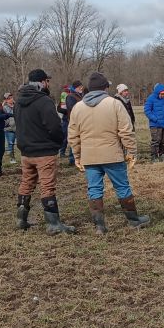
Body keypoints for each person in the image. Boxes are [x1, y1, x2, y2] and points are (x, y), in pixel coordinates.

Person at [68, 71, 147, 234]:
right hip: (112, 155)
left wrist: (77, 155)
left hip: (89, 157)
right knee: (122, 187)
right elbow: (126, 131)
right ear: (105, 88)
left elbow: (73, 135)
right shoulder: (114, 104)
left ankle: (99, 226)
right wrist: (131, 151)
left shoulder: (78, 107)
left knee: (94, 189)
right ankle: (133, 221)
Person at [14, 69, 75, 234]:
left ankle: (21, 219)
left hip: (26, 152)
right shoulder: (44, 101)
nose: (48, 84)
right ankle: (53, 224)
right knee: (47, 186)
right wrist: (57, 142)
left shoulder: (18, 101)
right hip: (44, 152)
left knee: (26, 184)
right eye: (47, 81)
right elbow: (54, 126)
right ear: (42, 82)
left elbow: (17, 125)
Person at [144, 83, 164, 161]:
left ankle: (162, 154)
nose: (163, 95)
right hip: (155, 124)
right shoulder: (151, 98)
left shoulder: (163, 99)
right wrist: (155, 119)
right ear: (157, 92)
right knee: (156, 141)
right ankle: (154, 156)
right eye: (162, 94)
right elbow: (147, 110)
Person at [64, 81, 85, 165]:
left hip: (81, 121)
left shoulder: (79, 96)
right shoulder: (70, 96)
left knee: (80, 140)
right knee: (74, 140)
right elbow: (71, 108)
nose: (81, 89)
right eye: (80, 87)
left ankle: (79, 158)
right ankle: (72, 159)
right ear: (76, 87)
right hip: (74, 121)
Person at [3, 92, 18, 164]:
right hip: (9, 129)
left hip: (18, 128)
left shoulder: (17, 106)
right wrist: (7, 124)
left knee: (21, 143)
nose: (11, 100)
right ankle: (12, 158)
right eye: (8, 99)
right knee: (10, 144)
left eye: (11, 98)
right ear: (5, 100)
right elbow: (3, 118)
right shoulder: (4, 108)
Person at [57, 85, 70, 157]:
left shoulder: (73, 97)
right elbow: (58, 109)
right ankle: (62, 152)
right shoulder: (63, 99)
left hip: (72, 119)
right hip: (65, 119)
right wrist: (65, 111)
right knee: (64, 136)